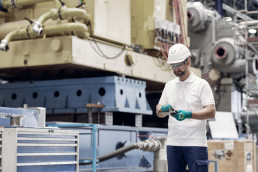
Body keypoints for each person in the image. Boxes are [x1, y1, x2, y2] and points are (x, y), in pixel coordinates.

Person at [156, 44, 216, 172]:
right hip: (173, 143)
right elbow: (159, 111)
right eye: (173, 66)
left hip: (195, 144)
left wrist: (189, 114)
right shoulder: (169, 86)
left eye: (179, 65)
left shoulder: (201, 85)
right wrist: (163, 109)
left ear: (188, 61)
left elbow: (211, 111)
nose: (176, 69)